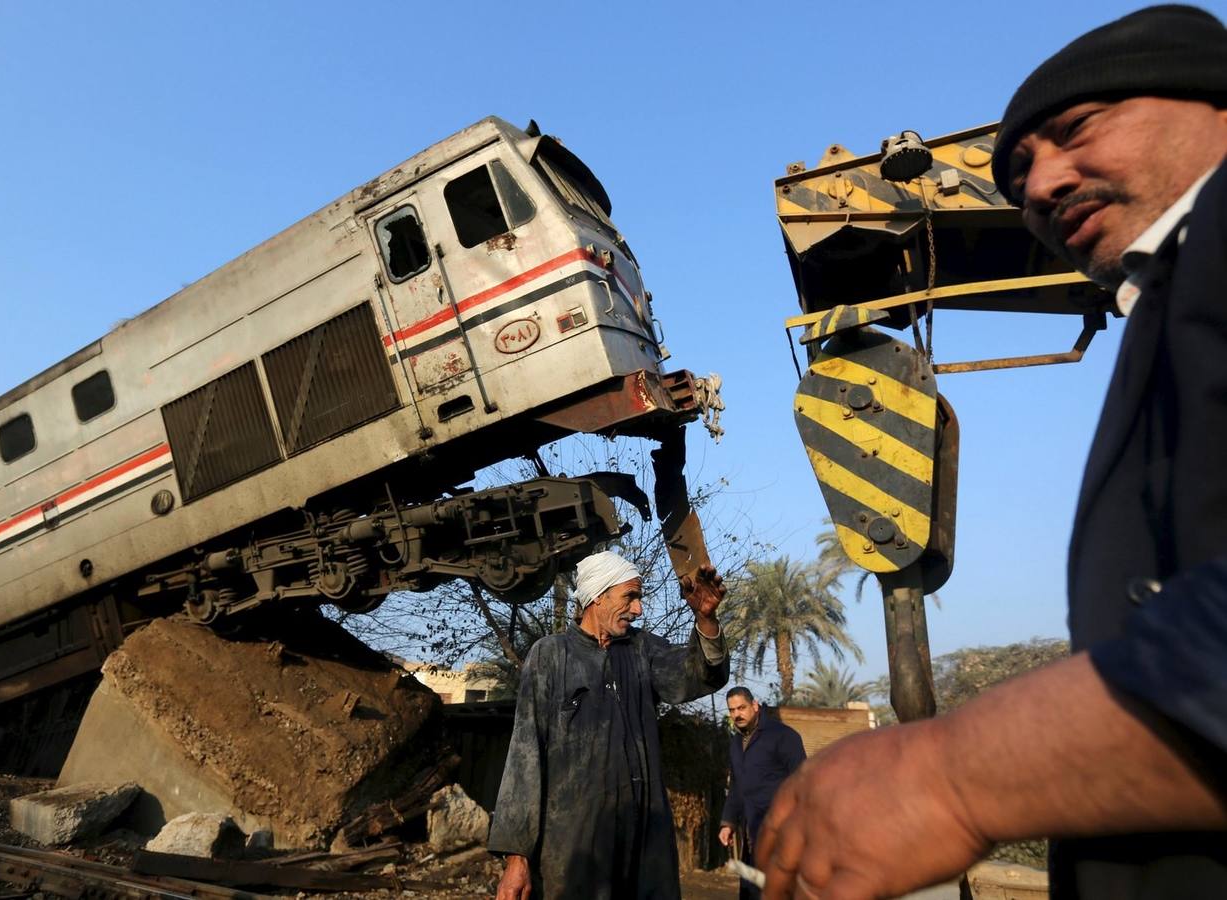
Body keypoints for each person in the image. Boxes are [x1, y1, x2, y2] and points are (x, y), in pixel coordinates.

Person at [753, 6, 1227, 899]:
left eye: (1075, 130)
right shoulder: (1164, 307)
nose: (1041, 183)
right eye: (1015, 171)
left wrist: (953, 776)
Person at [487, 550, 729, 900]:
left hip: (645, 849)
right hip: (574, 853)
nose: (638, 609)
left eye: (639, 598)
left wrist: (706, 619)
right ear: (597, 596)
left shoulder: (642, 650)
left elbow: (698, 674)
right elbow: (524, 760)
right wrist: (517, 858)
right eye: (630, 597)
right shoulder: (551, 655)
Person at [718, 687, 805, 900]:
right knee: (751, 891)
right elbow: (738, 786)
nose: (737, 714)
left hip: (780, 833)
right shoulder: (736, 743)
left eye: (742, 708)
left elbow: (803, 781)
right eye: (732, 710)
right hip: (751, 833)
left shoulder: (783, 736)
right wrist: (728, 823)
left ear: (755, 706)